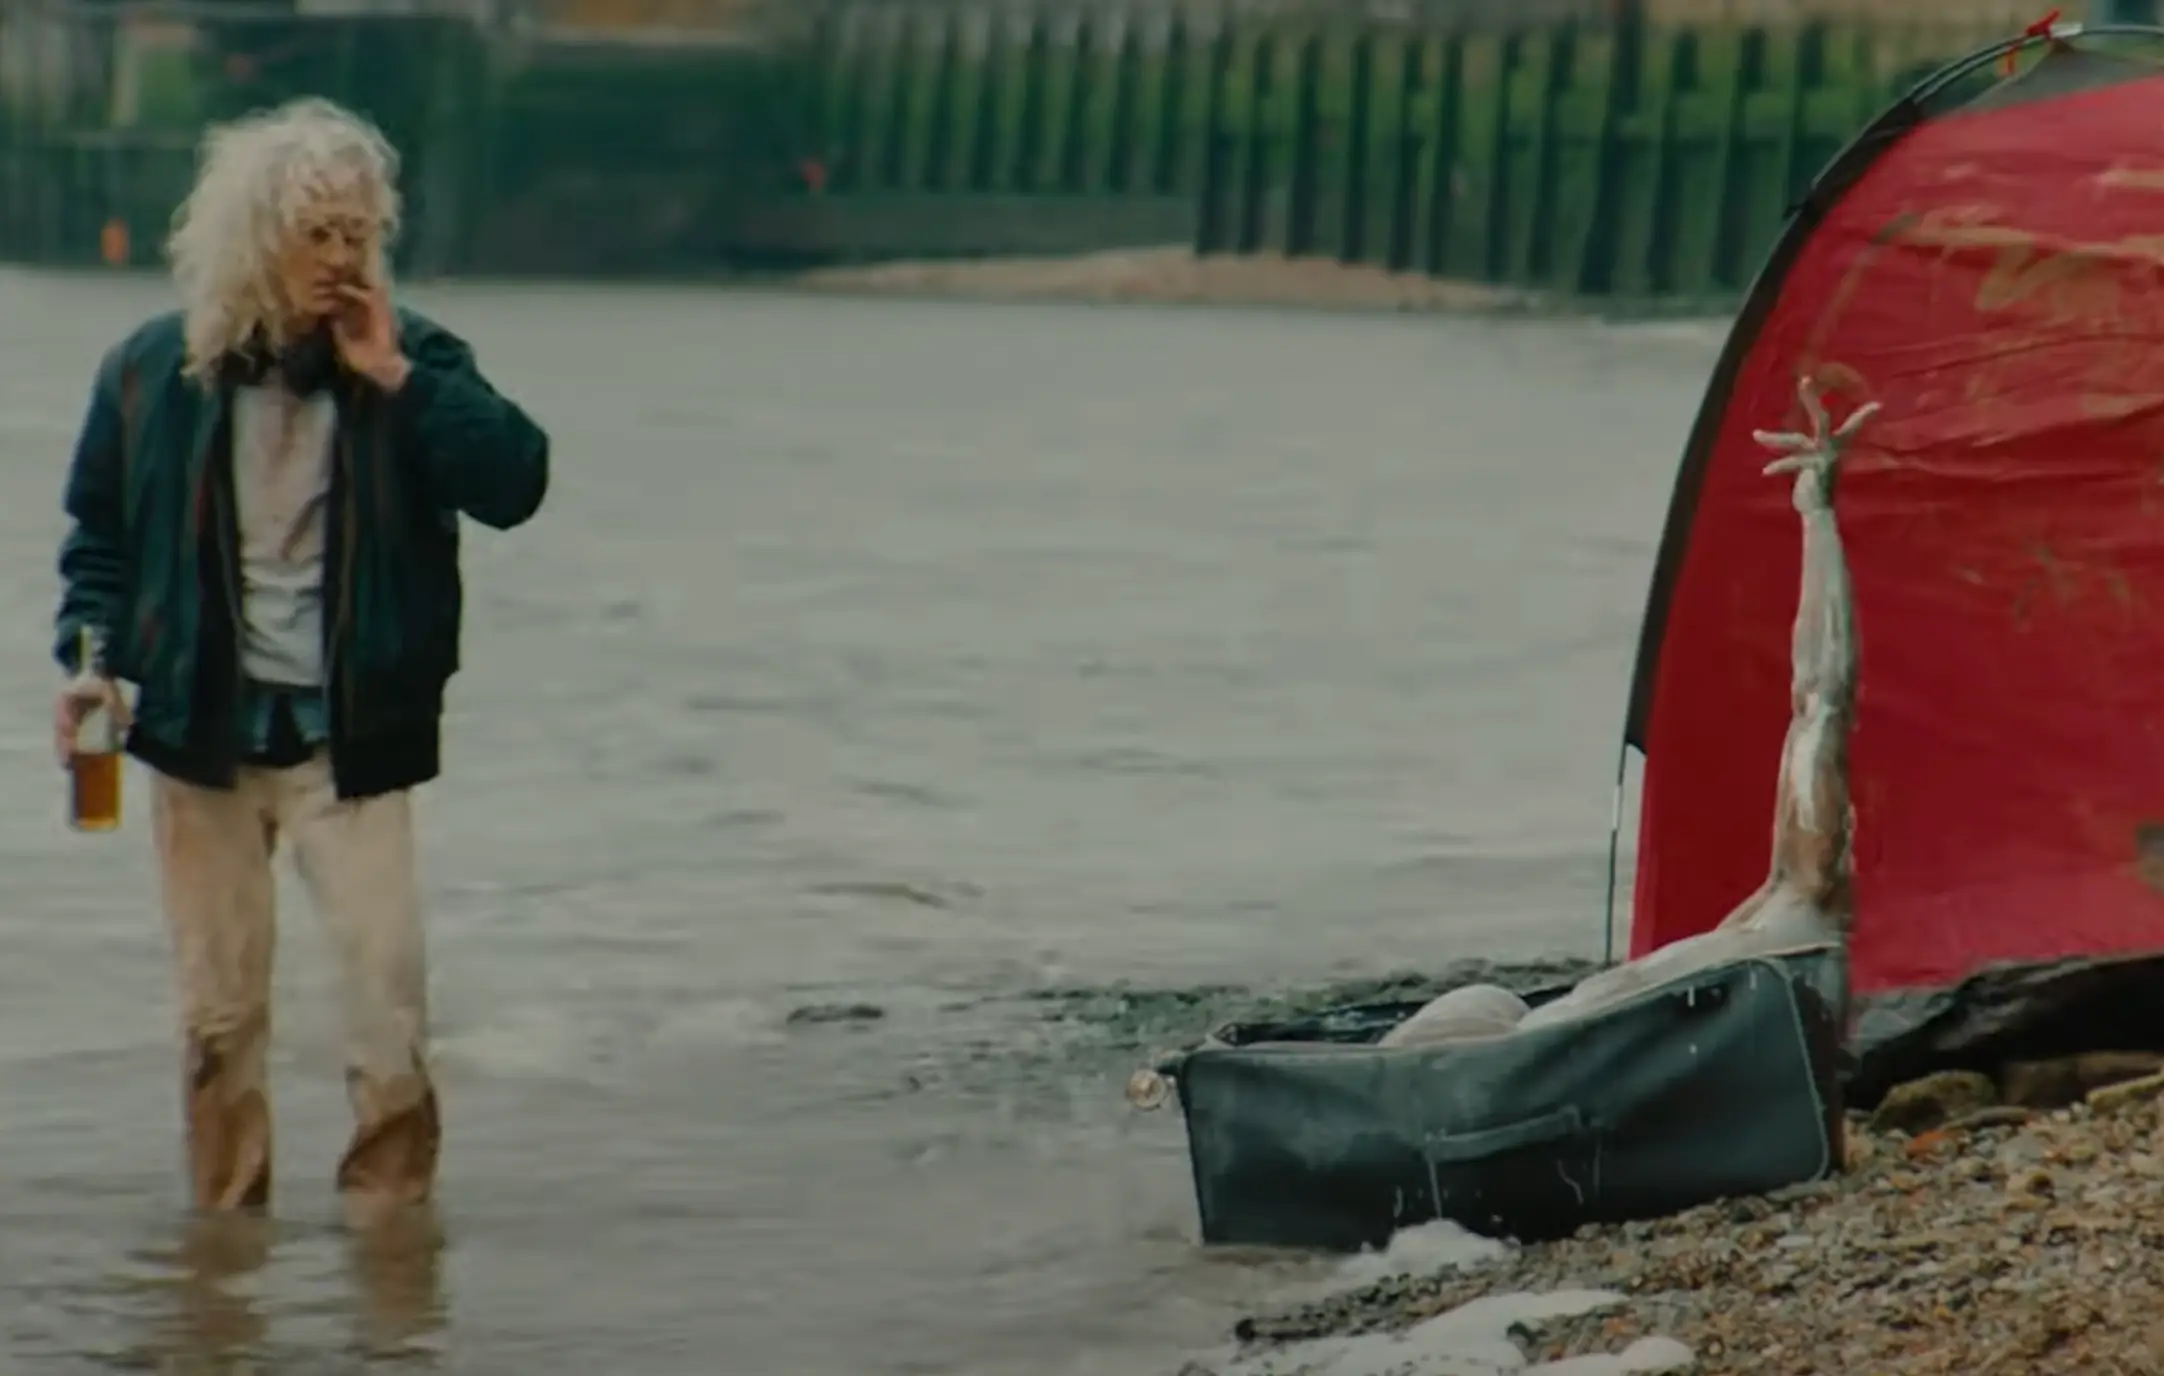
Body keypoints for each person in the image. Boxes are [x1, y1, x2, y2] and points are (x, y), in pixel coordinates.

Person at [48, 97, 550, 1222]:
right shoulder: (149, 374)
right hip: (198, 737)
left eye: (359, 234)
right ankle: (223, 1267)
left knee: (388, 1015)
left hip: (351, 741)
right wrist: (90, 659)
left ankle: (390, 1255)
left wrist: (401, 382)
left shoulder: (414, 357)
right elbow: (99, 539)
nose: (341, 259)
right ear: (253, 240)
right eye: (316, 234)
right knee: (218, 1023)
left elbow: (518, 483)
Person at [1382, 376, 1875, 1048]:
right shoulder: (1777, 906)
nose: (1841, 809)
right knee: (1484, 1000)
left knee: (1481, 1004)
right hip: (1549, 1046)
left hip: (1537, 1055)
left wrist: (1817, 517)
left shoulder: (1809, 900)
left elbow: (1824, 687)